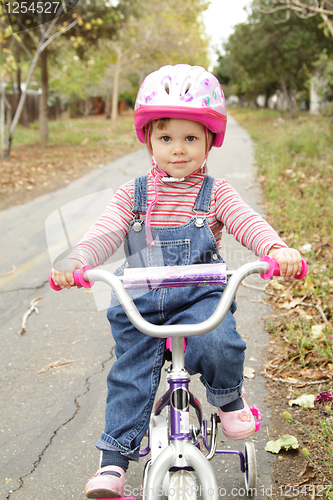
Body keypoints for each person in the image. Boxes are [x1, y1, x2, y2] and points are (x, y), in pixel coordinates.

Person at [51, 64, 302, 498]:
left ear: (210, 141)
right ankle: (112, 463)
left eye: (191, 138)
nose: (178, 150)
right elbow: (106, 231)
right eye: (166, 138)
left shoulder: (216, 192)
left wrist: (274, 249)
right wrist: (77, 259)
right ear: (148, 139)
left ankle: (227, 400)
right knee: (129, 377)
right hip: (141, 302)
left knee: (221, 341)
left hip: (201, 295)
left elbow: (247, 223)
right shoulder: (133, 194)